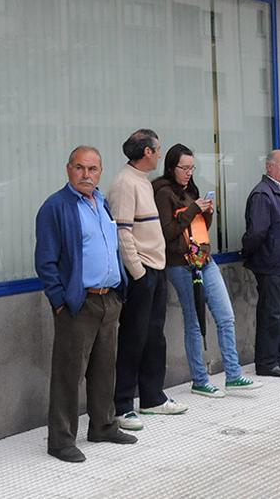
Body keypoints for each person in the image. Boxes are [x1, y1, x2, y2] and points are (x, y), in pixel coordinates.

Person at [35, 146, 138, 463]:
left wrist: (120, 286)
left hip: (109, 299)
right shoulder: (56, 207)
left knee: (105, 369)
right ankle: (61, 440)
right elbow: (46, 261)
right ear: (68, 169)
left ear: (100, 172)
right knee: (69, 373)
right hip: (78, 304)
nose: (86, 175)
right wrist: (59, 302)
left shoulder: (101, 204)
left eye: (92, 169)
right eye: (79, 168)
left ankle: (103, 424)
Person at [152, 144, 262, 397]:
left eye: (192, 167)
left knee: (225, 316)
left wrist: (207, 213)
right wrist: (193, 210)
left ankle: (233, 375)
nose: (189, 172)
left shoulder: (191, 189)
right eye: (184, 168)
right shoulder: (162, 193)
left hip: (204, 258)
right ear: (171, 167)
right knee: (194, 321)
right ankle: (200, 379)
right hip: (180, 263)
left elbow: (198, 227)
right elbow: (166, 232)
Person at [109, 129, 186, 431]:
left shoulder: (140, 181)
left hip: (156, 267)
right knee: (133, 337)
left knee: (155, 336)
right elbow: (122, 232)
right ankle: (123, 404)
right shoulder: (125, 183)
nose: (159, 153)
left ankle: (153, 397)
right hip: (142, 271)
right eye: (157, 149)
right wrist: (138, 272)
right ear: (147, 153)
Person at [243, 151, 280, 377]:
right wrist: (248, 252)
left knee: (278, 314)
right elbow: (257, 232)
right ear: (269, 167)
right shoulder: (263, 194)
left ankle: (277, 357)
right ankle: (267, 363)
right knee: (270, 314)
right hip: (269, 264)